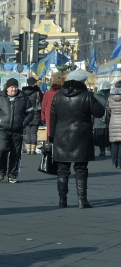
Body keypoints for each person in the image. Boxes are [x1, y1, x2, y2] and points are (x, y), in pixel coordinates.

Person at [49, 70, 105, 208]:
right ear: (83, 82)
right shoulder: (87, 96)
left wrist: (51, 137)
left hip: (61, 136)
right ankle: (82, 199)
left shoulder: (58, 96)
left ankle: (62, 200)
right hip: (82, 136)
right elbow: (100, 112)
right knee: (81, 169)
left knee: (62, 169)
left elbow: (52, 118)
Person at [0, 78, 33, 183]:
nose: (14, 89)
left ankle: (13, 175)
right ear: (7, 88)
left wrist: (23, 123)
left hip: (17, 130)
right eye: (12, 87)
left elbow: (30, 113)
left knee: (15, 153)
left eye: (16, 87)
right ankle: (1, 172)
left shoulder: (23, 98)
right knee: (2, 150)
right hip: (3, 129)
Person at [21, 76, 43, 154]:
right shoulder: (37, 91)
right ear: (34, 83)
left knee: (27, 132)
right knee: (34, 132)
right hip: (36, 113)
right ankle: (32, 150)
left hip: (27, 113)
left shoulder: (23, 91)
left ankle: (28, 149)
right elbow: (42, 100)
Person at [93, 80, 111, 159]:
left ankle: (102, 150)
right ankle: (110, 150)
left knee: (100, 136)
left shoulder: (96, 96)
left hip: (98, 118)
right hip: (109, 118)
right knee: (108, 134)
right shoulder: (110, 95)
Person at [109, 80, 121, 169]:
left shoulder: (110, 98)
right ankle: (120, 163)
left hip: (113, 122)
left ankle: (114, 162)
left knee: (114, 143)